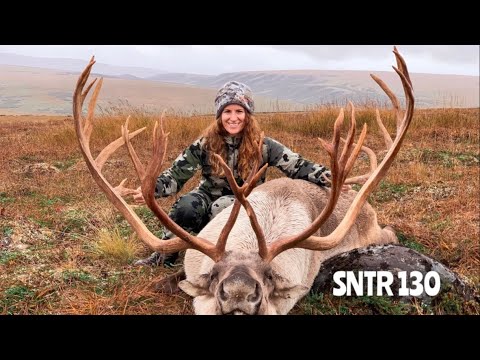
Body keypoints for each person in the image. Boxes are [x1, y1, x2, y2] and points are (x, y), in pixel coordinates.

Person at [132, 80, 332, 267]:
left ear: (248, 114)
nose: (233, 117)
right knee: (187, 206)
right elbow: (175, 176)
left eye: (239, 111)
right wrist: (152, 189)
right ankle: (165, 255)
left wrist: (327, 177)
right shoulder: (205, 144)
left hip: (246, 203)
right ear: (219, 115)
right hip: (207, 197)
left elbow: (298, 166)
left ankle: (219, 257)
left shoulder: (264, 146)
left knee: (223, 207)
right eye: (227, 111)